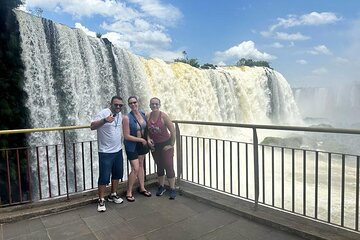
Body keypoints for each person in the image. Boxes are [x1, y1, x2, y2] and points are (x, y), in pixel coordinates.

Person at [90, 96, 124, 212]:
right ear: (111, 104)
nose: (118, 107)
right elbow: (92, 126)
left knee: (117, 174)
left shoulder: (120, 115)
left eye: (120, 105)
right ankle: (101, 199)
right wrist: (105, 120)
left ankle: (113, 194)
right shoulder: (103, 113)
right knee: (104, 177)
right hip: (105, 152)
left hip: (118, 150)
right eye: (116, 105)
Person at [146, 97, 177, 200]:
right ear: (150, 105)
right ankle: (161, 186)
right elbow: (146, 131)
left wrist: (171, 145)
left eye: (156, 104)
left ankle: (172, 188)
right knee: (159, 165)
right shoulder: (147, 116)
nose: (154, 106)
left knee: (168, 165)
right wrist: (148, 139)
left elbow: (173, 131)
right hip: (155, 145)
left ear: (159, 105)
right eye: (152, 104)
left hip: (165, 144)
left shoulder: (164, 116)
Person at [123, 96, 152, 202]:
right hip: (131, 145)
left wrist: (147, 139)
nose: (133, 104)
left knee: (141, 165)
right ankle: (129, 191)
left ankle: (142, 188)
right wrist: (141, 140)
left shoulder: (143, 114)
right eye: (130, 103)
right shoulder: (126, 118)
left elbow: (146, 129)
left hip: (142, 144)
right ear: (129, 105)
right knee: (135, 168)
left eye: (134, 102)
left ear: (137, 103)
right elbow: (126, 136)